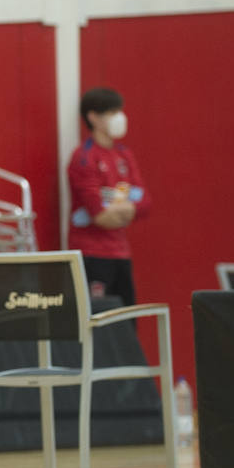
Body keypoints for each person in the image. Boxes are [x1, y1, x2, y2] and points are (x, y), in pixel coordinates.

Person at [67, 88, 152, 305]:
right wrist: (123, 209)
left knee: (126, 322)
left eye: (119, 111)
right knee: (99, 324)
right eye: (112, 112)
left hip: (121, 254)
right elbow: (100, 216)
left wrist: (120, 210)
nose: (119, 118)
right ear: (93, 117)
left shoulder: (124, 154)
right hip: (93, 255)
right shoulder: (84, 158)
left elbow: (144, 203)